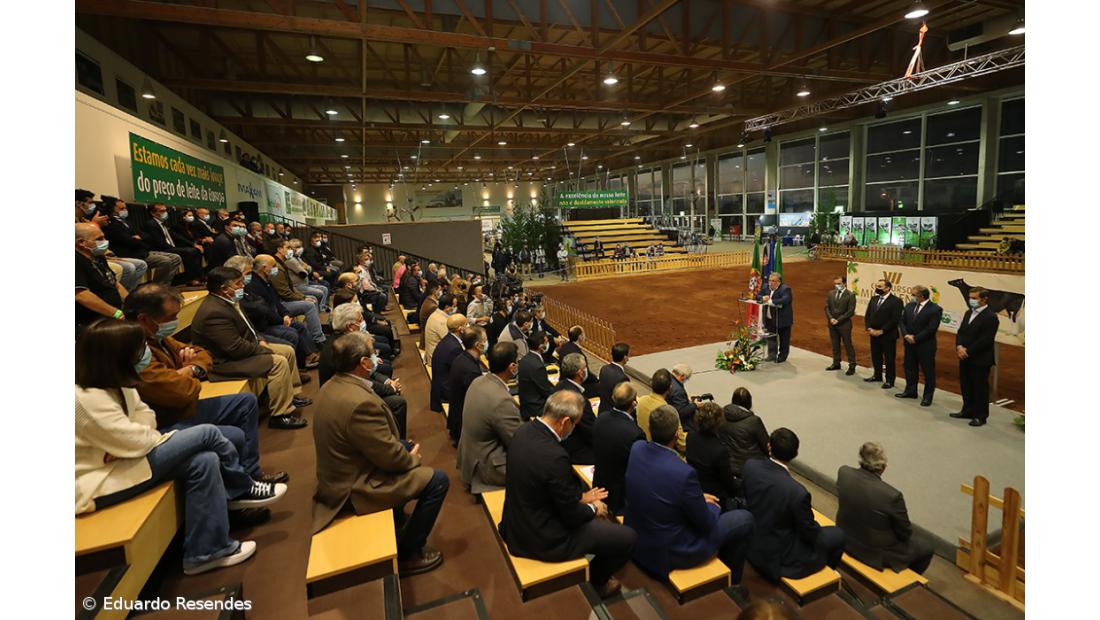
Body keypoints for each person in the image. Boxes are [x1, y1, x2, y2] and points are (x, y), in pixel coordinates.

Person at [75, 319, 286, 575]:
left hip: (130, 459)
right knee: (208, 433)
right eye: (138, 349)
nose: (145, 354)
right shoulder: (83, 399)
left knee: (205, 460)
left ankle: (205, 552)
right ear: (116, 356)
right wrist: (135, 437)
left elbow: (145, 419)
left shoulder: (119, 382)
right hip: (101, 482)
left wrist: (133, 437)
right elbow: (138, 441)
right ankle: (242, 487)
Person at [123, 284, 295, 481]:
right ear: (144, 319)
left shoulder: (156, 336)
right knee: (232, 435)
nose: (176, 322)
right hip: (165, 419)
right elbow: (184, 391)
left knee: (245, 402)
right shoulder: (134, 349)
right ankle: (244, 483)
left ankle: (250, 472)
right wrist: (192, 373)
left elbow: (201, 352)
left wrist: (191, 368)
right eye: (170, 318)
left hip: (180, 407)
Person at [311, 333, 450, 575]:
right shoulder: (359, 404)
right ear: (363, 363)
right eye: (373, 354)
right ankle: (409, 551)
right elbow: (391, 459)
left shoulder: (333, 385)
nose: (377, 358)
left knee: (404, 445)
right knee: (437, 480)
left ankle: (398, 517)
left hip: (347, 467)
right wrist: (412, 458)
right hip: (353, 487)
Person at [500, 390, 637, 598]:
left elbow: (547, 487)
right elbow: (572, 516)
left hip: (517, 521)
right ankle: (598, 581)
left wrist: (580, 497)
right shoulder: (555, 456)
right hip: (542, 537)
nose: (574, 428)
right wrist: (592, 507)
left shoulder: (524, 430)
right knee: (627, 537)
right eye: (575, 423)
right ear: (565, 422)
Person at [625, 406, 755, 585]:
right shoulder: (683, 473)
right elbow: (706, 523)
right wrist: (709, 505)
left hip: (639, 534)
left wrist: (698, 497)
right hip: (670, 550)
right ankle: (734, 585)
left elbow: (664, 487)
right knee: (745, 518)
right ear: (677, 435)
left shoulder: (637, 448)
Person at [190, 267, 309, 428]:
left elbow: (250, 328)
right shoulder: (213, 312)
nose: (242, 286)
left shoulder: (227, 301)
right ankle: (280, 415)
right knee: (278, 362)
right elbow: (235, 348)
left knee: (287, 350)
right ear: (224, 289)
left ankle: (292, 395)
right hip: (222, 362)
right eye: (238, 283)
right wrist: (263, 348)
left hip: (244, 349)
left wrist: (260, 340)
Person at [742, 428, 845, 582]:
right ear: (796, 454)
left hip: (751, 541)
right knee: (838, 534)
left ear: (769, 446)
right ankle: (826, 581)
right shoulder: (797, 492)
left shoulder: (750, 466)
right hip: (777, 554)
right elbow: (809, 531)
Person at [836, 443, 933, 574]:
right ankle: (907, 584)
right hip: (873, 552)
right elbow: (904, 533)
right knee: (926, 548)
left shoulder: (844, 472)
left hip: (844, 535)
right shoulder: (892, 495)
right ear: (883, 467)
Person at [319, 303, 407, 439]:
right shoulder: (346, 348)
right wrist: (390, 388)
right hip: (344, 400)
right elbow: (363, 382)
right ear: (350, 326)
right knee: (398, 402)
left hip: (349, 388)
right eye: (360, 320)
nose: (363, 322)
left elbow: (366, 374)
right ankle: (397, 442)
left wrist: (387, 382)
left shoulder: (343, 340)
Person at [233, 255, 320, 371]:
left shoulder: (266, 280)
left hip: (274, 318)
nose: (276, 269)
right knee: (292, 333)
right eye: (273, 266)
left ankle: (310, 354)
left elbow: (275, 301)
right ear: (264, 268)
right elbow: (263, 310)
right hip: (265, 325)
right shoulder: (252, 285)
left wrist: (285, 314)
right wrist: (281, 319)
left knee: (298, 326)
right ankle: (302, 363)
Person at [457, 342, 523, 489]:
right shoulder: (501, 401)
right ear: (512, 367)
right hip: (487, 465)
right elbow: (517, 443)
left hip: (470, 455)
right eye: (518, 362)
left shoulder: (478, 380)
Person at [100, 196, 182, 285]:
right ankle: (157, 287)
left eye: (125, 208)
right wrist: (138, 239)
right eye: (122, 208)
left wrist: (138, 238)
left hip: (142, 250)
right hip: (130, 253)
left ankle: (166, 284)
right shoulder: (111, 224)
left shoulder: (127, 222)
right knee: (165, 261)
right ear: (113, 209)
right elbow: (127, 240)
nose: (125, 210)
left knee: (176, 258)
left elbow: (146, 236)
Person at [592, 383, 646, 514]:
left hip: (599, 483)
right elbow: (640, 469)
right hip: (620, 497)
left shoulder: (600, 418)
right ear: (634, 403)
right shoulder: (635, 433)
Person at [951, 287, 1000, 427]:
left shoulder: (991, 317)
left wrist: (968, 351)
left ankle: (980, 416)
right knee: (966, 385)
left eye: (974, 298)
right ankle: (967, 410)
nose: (971, 300)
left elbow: (986, 339)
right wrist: (959, 346)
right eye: (970, 298)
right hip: (964, 356)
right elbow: (961, 332)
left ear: (984, 299)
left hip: (980, 358)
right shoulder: (968, 313)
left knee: (979, 388)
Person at [267, 243, 327, 347]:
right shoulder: (277, 267)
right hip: (281, 304)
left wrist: (303, 297)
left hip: (286, 298)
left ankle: (315, 332)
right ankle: (318, 339)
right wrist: (303, 297)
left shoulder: (283, 263)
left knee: (313, 298)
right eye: (288, 248)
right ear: (279, 249)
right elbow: (285, 292)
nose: (291, 250)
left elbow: (291, 287)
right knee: (310, 305)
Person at [75, 223, 129, 334]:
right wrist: (117, 314)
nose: (105, 242)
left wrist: (131, 303)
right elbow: (81, 295)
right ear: (81, 243)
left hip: (111, 313)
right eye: (99, 239)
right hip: (91, 320)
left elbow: (115, 284)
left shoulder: (98, 257)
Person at [686, 402, 739, 510]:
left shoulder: (690, 436)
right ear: (719, 424)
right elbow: (728, 484)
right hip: (716, 498)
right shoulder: (719, 450)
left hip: (695, 487)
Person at [897, 285, 943, 406]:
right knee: (910, 368)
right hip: (909, 343)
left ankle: (927, 397)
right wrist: (906, 335)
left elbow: (932, 328)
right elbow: (902, 321)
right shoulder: (909, 306)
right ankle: (911, 391)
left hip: (925, 345)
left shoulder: (935, 309)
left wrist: (916, 338)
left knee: (928, 371)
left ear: (921, 296)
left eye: (913, 295)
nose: (911, 297)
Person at [142, 203, 204, 286]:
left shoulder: (162, 223)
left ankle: (198, 276)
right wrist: (173, 248)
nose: (165, 212)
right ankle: (190, 279)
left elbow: (176, 236)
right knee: (190, 252)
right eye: (162, 211)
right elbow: (159, 242)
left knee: (195, 250)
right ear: (153, 213)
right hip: (161, 248)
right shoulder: (151, 224)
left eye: (165, 210)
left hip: (170, 247)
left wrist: (193, 244)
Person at [554, 353, 597, 465]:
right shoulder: (579, 399)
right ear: (580, 373)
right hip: (575, 450)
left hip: (561, 442)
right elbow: (591, 433)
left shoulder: (559, 385)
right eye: (585, 367)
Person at [447, 326, 488, 443]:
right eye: (485, 340)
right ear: (478, 345)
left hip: (457, 415)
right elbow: (478, 401)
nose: (487, 343)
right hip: (464, 425)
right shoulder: (471, 370)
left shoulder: (462, 357)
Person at [718, 388, 769, 479]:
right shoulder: (754, 421)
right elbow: (766, 446)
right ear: (749, 402)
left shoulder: (720, 414)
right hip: (750, 467)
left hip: (727, 463)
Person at [864, 278, 903, 389]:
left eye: (880, 287)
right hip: (873, 334)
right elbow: (868, 315)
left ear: (888, 288)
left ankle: (890, 380)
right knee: (876, 356)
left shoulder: (896, 301)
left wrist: (882, 331)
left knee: (889, 358)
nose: (877, 288)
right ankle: (877, 375)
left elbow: (895, 319)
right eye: (877, 286)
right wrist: (869, 328)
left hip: (888, 335)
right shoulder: (873, 299)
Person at [636, 369, 686, 454]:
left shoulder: (640, 401)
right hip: (662, 452)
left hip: (644, 446)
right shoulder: (669, 412)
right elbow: (682, 445)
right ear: (670, 387)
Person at [430, 314, 467, 414]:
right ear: (461, 329)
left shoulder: (448, 339)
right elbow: (461, 374)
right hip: (446, 391)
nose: (468, 327)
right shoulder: (454, 348)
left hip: (441, 385)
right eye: (466, 325)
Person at [518, 331, 555, 421]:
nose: (548, 344)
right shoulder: (538, 367)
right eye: (546, 342)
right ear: (541, 347)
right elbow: (546, 392)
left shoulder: (525, 358)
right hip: (536, 408)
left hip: (526, 402)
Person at [824, 275, 857, 375]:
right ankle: (836, 363)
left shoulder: (851, 295)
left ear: (844, 283)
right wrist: (831, 318)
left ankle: (852, 365)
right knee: (835, 344)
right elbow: (826, 308)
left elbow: (850, 311)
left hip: (844, 324)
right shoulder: (831, 293)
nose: (837, 285)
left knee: (847, 344)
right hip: (832, 323)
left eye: (839, 284)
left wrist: (838, 320)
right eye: (835, 284)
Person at [286, 239, 330, 312]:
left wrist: (306, 268)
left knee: (324, 288)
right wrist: (306, 268)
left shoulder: (298, 258)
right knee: (320, 292)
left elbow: (309, 268)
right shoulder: (291, 260)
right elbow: (304, 273)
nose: (299, 249)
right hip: (298, 286)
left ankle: (322, 307)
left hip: (305, 284)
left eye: (300, 246)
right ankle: (320, 309)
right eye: (296, 247)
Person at [757, 272, 793, 363]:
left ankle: (782, 356)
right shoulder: (765, 287)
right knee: (771, 337)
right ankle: (772, 355)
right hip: (769, 318)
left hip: (782, 319)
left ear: (779, 282)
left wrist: (772, 301)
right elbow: (758, 295)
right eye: (769, 280)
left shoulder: (785, 289)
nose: (770, 283)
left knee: (783, 339)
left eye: (773, 281)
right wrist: (762, 297)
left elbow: (785, 299)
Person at [559, 326, 599, 396]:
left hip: (564, 380)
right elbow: (585, 375)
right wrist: (596, 379)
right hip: (576, 384)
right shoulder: (578, 355)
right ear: (580, 336)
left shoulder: (564, 346)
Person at [597, 342, 630, 414]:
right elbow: (624, 402)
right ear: (625, 358)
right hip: (614, 414)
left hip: (602, 410)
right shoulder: (623, 378)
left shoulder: (604, 368)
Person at [423, 293, 456, 364]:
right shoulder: (441, 321)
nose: (455, 308)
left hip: (437, 351)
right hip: (436, 358)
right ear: (447, 307)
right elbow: (450, 341)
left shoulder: (437, 314)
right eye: (454, 306)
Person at [668, 364, 703, 431]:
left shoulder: (669, 379)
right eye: (687, 378)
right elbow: (681, 412)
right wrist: (695, 405)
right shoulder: (678, 390)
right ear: (682, 376)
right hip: (682, 425)